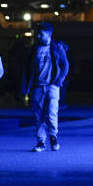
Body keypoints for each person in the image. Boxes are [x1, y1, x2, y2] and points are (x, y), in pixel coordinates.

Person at [22, 22, 69, 152]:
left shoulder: (56, 47)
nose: (38, 36)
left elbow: (65, 65)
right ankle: (41, 141)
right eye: (38, 33)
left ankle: (53, 137)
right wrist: (26, 87)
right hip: (37, 86)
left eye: (41, 33)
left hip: (52, 86)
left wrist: (59, 80)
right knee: (38, 115)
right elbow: (27, 69)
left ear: (49, 34)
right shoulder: (33, 49)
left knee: (52, 112)